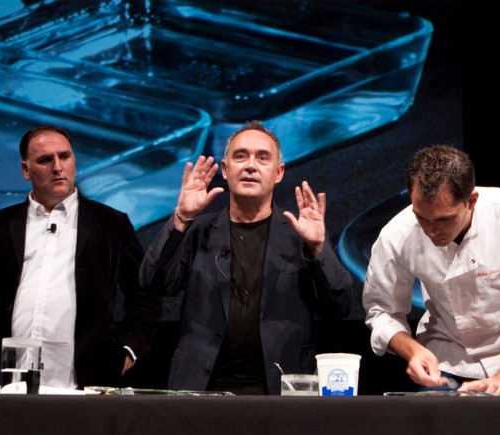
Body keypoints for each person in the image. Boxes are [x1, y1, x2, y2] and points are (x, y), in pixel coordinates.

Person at [0, 125, 161, 390]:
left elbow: (145, 293)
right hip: (8, 384)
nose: (58, 167)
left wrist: (128, 351)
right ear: (25, 170)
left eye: (65, 156)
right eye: (45, 160)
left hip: (85, 382)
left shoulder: (110, 224)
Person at [139, 120, 354, 395]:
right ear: (225, 169)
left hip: (279, 390)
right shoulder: (198, 231)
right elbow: (151, 282)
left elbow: (340, 306)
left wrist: (317, 248)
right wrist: (181, 217)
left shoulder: (300, 234)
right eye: (241, 156)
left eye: (262, 158)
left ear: (278, 172)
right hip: (203, 389)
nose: (251, 165)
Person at [363, 144, 500, 396]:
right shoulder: (396, 234)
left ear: (471, 201)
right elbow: (382, 311)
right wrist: (413, 350)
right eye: (421, 217)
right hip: (445, 361)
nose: (431, 231)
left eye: (444, 219)